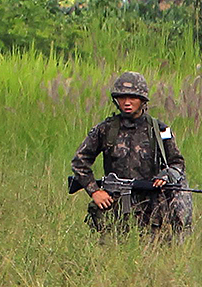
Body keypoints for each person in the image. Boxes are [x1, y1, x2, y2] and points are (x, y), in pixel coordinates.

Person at [70, 71, 191, 235]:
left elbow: (177, 163)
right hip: (115, 211)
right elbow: (79, 162)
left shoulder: (159, 130)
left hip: (152, 211)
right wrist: (95, 191)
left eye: (132, 98)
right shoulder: (105, 129)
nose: (127, 102)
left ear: (142, 100)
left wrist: (166, 175)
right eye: (122, 97)